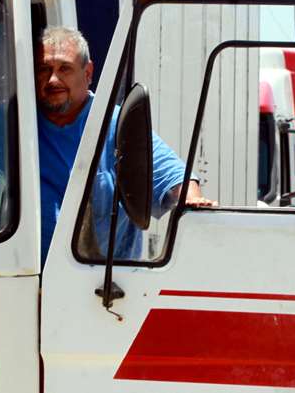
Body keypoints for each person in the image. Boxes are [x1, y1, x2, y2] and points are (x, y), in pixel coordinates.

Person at [34, 26, 215, 263]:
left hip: (97, 285)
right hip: (22, 282)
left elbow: (173, 177)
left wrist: (190, 200)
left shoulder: (116, 124)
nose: (53, 80)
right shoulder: (13, 122)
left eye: (65, 69)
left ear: (88, 73)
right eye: (44, 69)